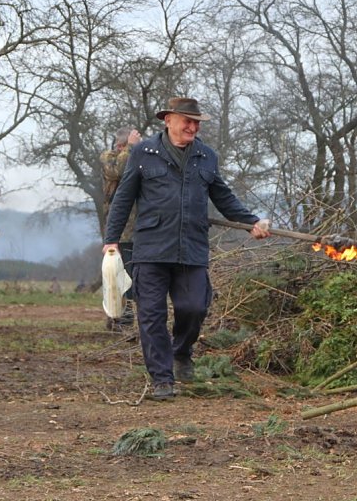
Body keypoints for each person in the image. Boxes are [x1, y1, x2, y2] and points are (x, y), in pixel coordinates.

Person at [103, 97, 270, 400]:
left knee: (194, 308)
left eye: (196, 122)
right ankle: (162, 378)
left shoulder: (206, 156)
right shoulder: (143, 153)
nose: (193, 127)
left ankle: (181, 352)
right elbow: (123, 199)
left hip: (191, 247)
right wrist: (111, 240)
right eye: (187, 121)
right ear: (168, 120)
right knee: (151, 315)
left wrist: (251, 222)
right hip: (151, 248)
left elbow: (223, 195)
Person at [99, 125, 142, 331]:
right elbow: (121, 170)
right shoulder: (108, 158)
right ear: (120, 145)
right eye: (129, 145)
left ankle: (125, 320)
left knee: (135, 277)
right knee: (117, 275)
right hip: (119, 232)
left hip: (139, 231)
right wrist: (132, 148)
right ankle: (121, 321)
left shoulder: (138, 158)